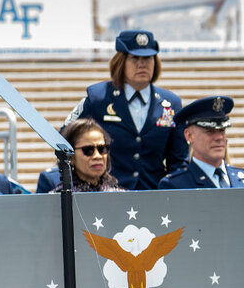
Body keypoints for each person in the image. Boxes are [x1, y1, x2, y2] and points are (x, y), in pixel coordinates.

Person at [59, 29, 188, 190]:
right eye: (134, 58)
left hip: (155, 197)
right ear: (121, 61)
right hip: (107, 197)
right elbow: (64, 137)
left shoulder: (171, 103)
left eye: (148, 58)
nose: (142, 64)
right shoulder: (98, 98)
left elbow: (178, 161)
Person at [158, 96, 244, 190]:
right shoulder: (175, 186)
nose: (219, 137)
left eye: (222, 130)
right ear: (189, 135)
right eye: (210, 131)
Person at [51, 117, 125, 192]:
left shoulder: (121, 196)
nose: (97, 156)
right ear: (70, 157)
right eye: (88, 150)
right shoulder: (58, 198)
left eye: (102, 149)